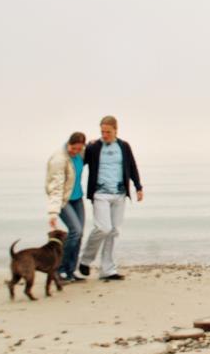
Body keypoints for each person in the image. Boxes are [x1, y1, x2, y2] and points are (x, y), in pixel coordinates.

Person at [77, 115, 143, 281]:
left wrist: (138, 187)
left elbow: (132, 166)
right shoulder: (94, 147)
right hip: (100, 194)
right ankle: (85, 260)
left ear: (115, 130)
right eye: (102, 132)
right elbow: (78, 161)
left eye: (108, 132)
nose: (104, 135)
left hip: (119, 194)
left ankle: (108, 270)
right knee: (102, 228)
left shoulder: (124, 146)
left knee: (114, 231)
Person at [45, 132, 87, 283]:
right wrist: (53, 212)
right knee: (75, 231)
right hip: (63, 200)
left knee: (79, 233)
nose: (75, 151)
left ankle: (70, 271)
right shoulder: (59, 159)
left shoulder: (81, 153)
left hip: (77, 199)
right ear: (68, 144)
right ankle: (59, 269)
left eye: (78, 149)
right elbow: (55, 188)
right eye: (73, 148)